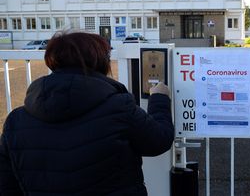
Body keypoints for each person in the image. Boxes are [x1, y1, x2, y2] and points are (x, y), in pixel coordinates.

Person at [0, 31, 174, 195]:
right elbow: (159, 140)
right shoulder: (119, 108)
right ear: (99, 62)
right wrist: (159, 98)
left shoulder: (15, 121)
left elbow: (8, 186)